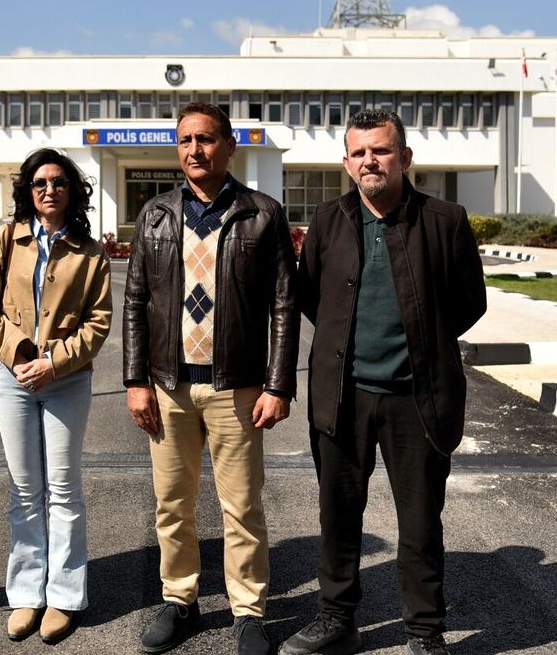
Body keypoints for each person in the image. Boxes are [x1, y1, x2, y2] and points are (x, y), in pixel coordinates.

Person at [284, 110, 486, 655]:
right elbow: (312, 297)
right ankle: (336, 619)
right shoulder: (328, 220)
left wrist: (423, 342)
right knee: (338, 515)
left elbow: (471, 301)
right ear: (346, 162)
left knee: (420, 522)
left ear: (405, 158)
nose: (369, 161)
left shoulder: (445, 220)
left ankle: (424, 631)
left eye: (381, 150)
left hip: (417, 399)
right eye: (359, 153)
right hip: (342, 396)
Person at [123, 102, 298, 655]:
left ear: (228, 145)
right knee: (172, 504)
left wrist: (278, 384)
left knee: (242, 507)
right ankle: (180, 599)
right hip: (168, 387)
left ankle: (248, 611)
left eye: (205, 139)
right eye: (185, 141)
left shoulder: (262, 213)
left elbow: (284, 305)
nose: (194, 150)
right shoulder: (156, 214)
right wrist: (135, 380)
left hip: (237, 388)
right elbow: (135, 301)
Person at [0, 148, 113, 644]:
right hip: (12, 379)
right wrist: (19, 354)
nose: (49, 190)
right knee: (24, 489)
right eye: (40, 183)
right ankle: (27, 593)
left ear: (72, 190)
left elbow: (98, 324)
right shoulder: (6, 239)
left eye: (58, 182)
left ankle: (65, 597)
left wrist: (54, 362)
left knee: (64, 489)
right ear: (28, 191)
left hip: (66, 380)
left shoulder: (90, 254)